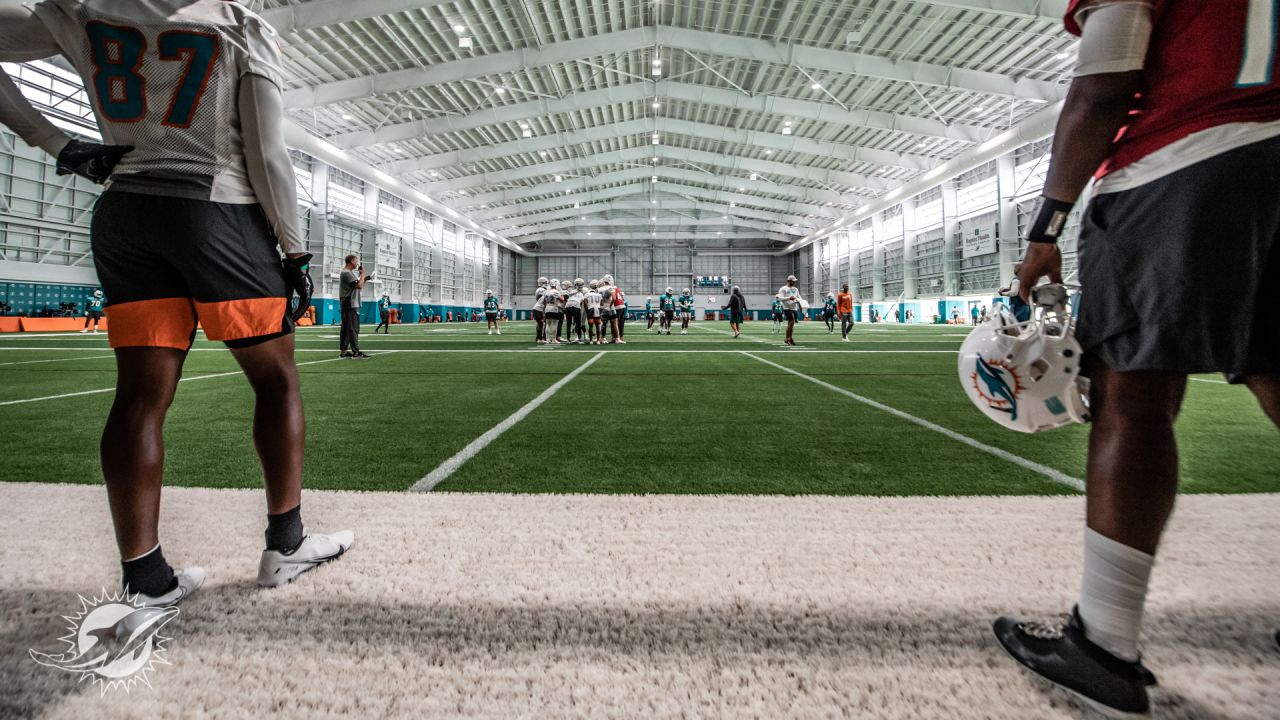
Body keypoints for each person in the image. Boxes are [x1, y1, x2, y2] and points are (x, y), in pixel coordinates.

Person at [0, 0, 354, 609]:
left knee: (139, 395)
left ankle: (146, 580)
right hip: (216, 210)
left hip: (125, 213)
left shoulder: (81, 11)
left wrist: (51, 141)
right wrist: (295, 252)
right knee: (276, 380)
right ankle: (285, 543)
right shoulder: (239, 23)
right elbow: (268, 155)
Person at [993, 3, 1280, 718]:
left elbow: (1103, 84)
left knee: (1134, 395)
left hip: (1184, 164)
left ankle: (1103, 646)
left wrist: (1046, 226)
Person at [340, 255, 371, 358]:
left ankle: (344, 352)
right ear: (351, 261)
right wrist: (362, 274)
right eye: (356, 260)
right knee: (353, 328)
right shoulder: (347, 273)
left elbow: (357, 286)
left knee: (346, 328)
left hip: (347, 302)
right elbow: (359, 286)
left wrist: (364, 278)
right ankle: (356, 352)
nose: (357, 262)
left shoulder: (348, 273)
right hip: (350, 303)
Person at [776, 275, 801, 346]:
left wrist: (801, 302)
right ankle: (788, 338)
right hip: (787, 307)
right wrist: (789, 298)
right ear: (789, 281)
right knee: (791, 321)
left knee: (792, 324)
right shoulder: (783, 288)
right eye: (793, 281)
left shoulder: (796, 289)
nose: (794, 282)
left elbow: (799, 297)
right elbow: (780, 298)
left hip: (794, 307)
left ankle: (788, 338)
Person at [532, 276, 548, 344]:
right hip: (539, 309)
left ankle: (538, 337)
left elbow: (538, 299)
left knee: (540, 324)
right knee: (541, 324)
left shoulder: (539, 289)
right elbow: (543, 300)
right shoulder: (542, 290)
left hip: (538, 308)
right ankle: (539, 338)